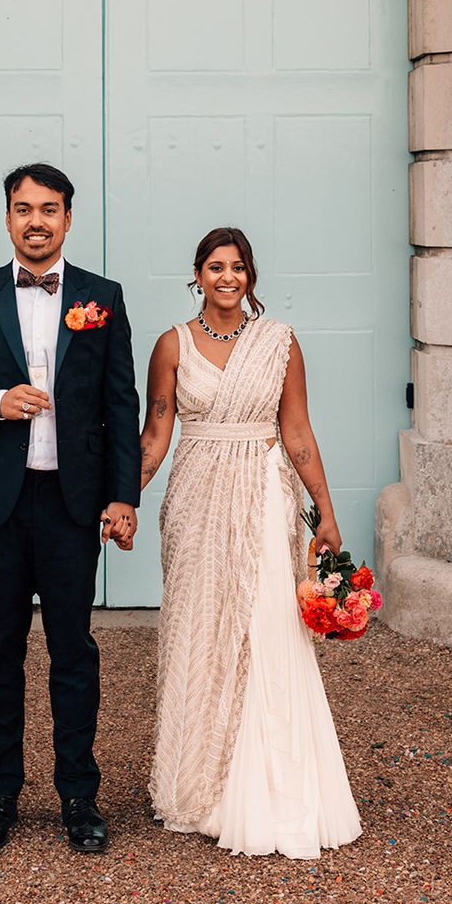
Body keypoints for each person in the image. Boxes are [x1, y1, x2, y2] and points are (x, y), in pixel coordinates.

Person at [0, 163, 140, 856]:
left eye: (50, 208)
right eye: (24, 208)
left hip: (74, 506)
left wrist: (121, 495)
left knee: (74, 652)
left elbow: (119, 405)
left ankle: (79, 795)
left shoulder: (102, 298)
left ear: (69, 219)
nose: (37, 220)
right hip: (1, 504)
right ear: (8, 217)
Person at [130, 226, 362, 857]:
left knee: (266, 626)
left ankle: (272, 787)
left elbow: (299, 433)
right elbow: (154, 434)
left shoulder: (280, 343)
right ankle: (201, 784)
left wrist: (327, 515)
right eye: (214, 267)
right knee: (198, 626)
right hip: (197, 497)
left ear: (250, 276)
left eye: (237, 268)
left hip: (264, 495)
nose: (226, 278)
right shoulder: (170, 345)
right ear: (197, 275)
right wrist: (125, 497)